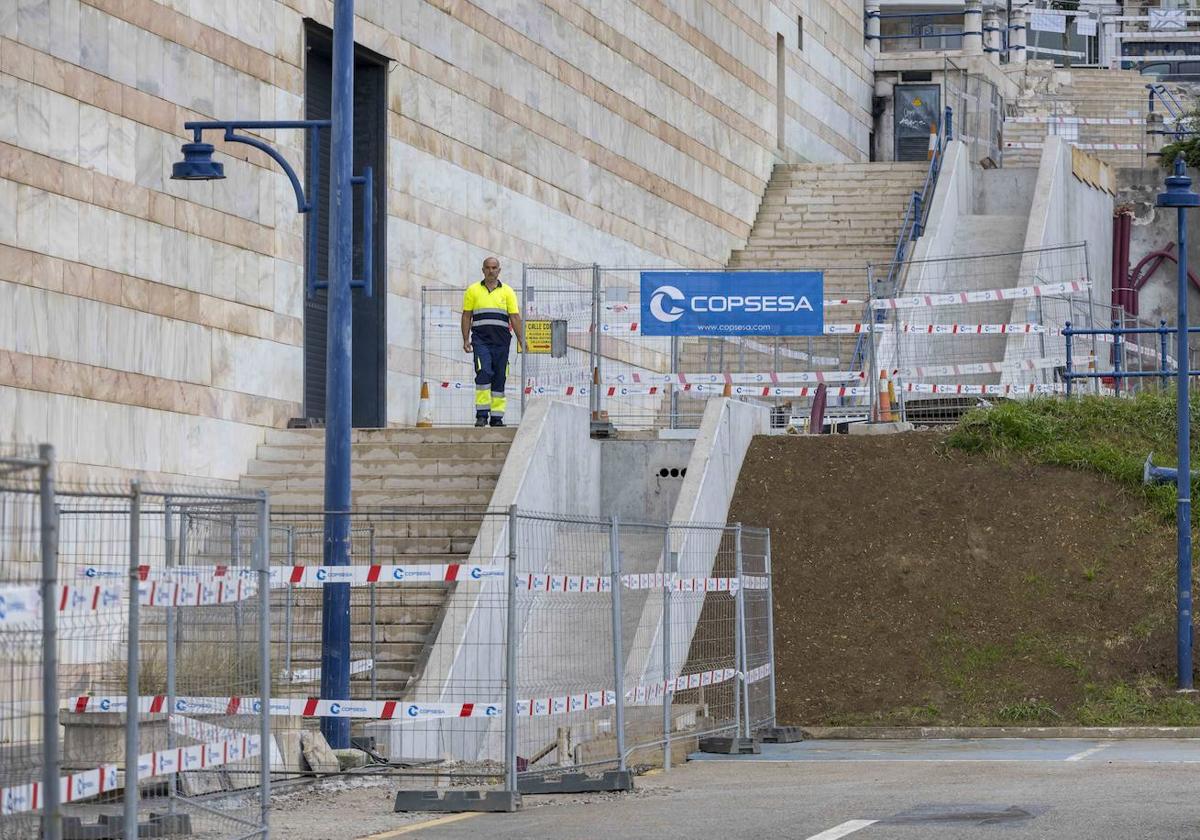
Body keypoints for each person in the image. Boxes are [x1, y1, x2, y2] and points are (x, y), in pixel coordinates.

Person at [462, 257, 524, 427]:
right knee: (484, 372)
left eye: (494, 267)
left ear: (499, 270)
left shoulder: (508, 292)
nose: (491, 271)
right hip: (481, 341)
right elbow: (467, 315)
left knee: (499, 377)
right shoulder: (473, 290)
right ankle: (481, 415)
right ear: (483, 270)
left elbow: (515, 317)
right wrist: (466, 339)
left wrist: (521, 339)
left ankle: (497, 417)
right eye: (488, 268)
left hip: (502, 343)